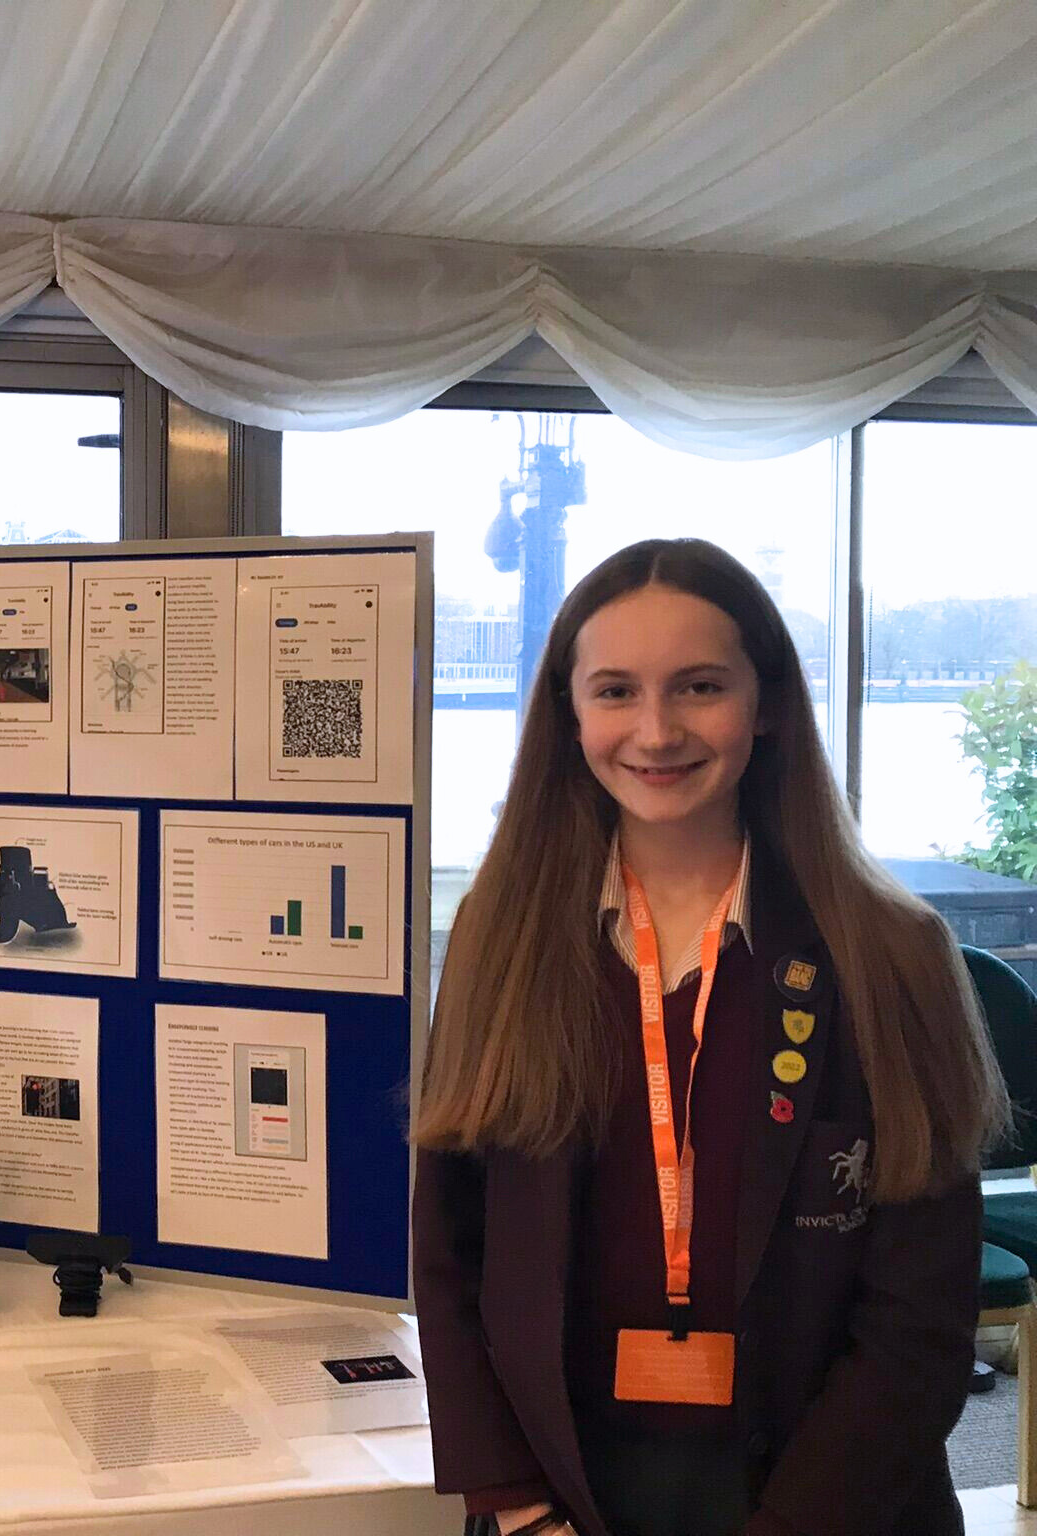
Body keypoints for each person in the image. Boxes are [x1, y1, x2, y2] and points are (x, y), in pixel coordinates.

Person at [412, 538, 1006, 1536]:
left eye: (696, 686)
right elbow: (449, 1245)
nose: (653, 730)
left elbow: (919, 1319)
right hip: (561, 1496)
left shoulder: (889, 950)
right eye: (612, 691)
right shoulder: (499, 933)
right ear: (568, 714)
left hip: (825, 1502)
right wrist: (513, 1502)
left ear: (765, 704)